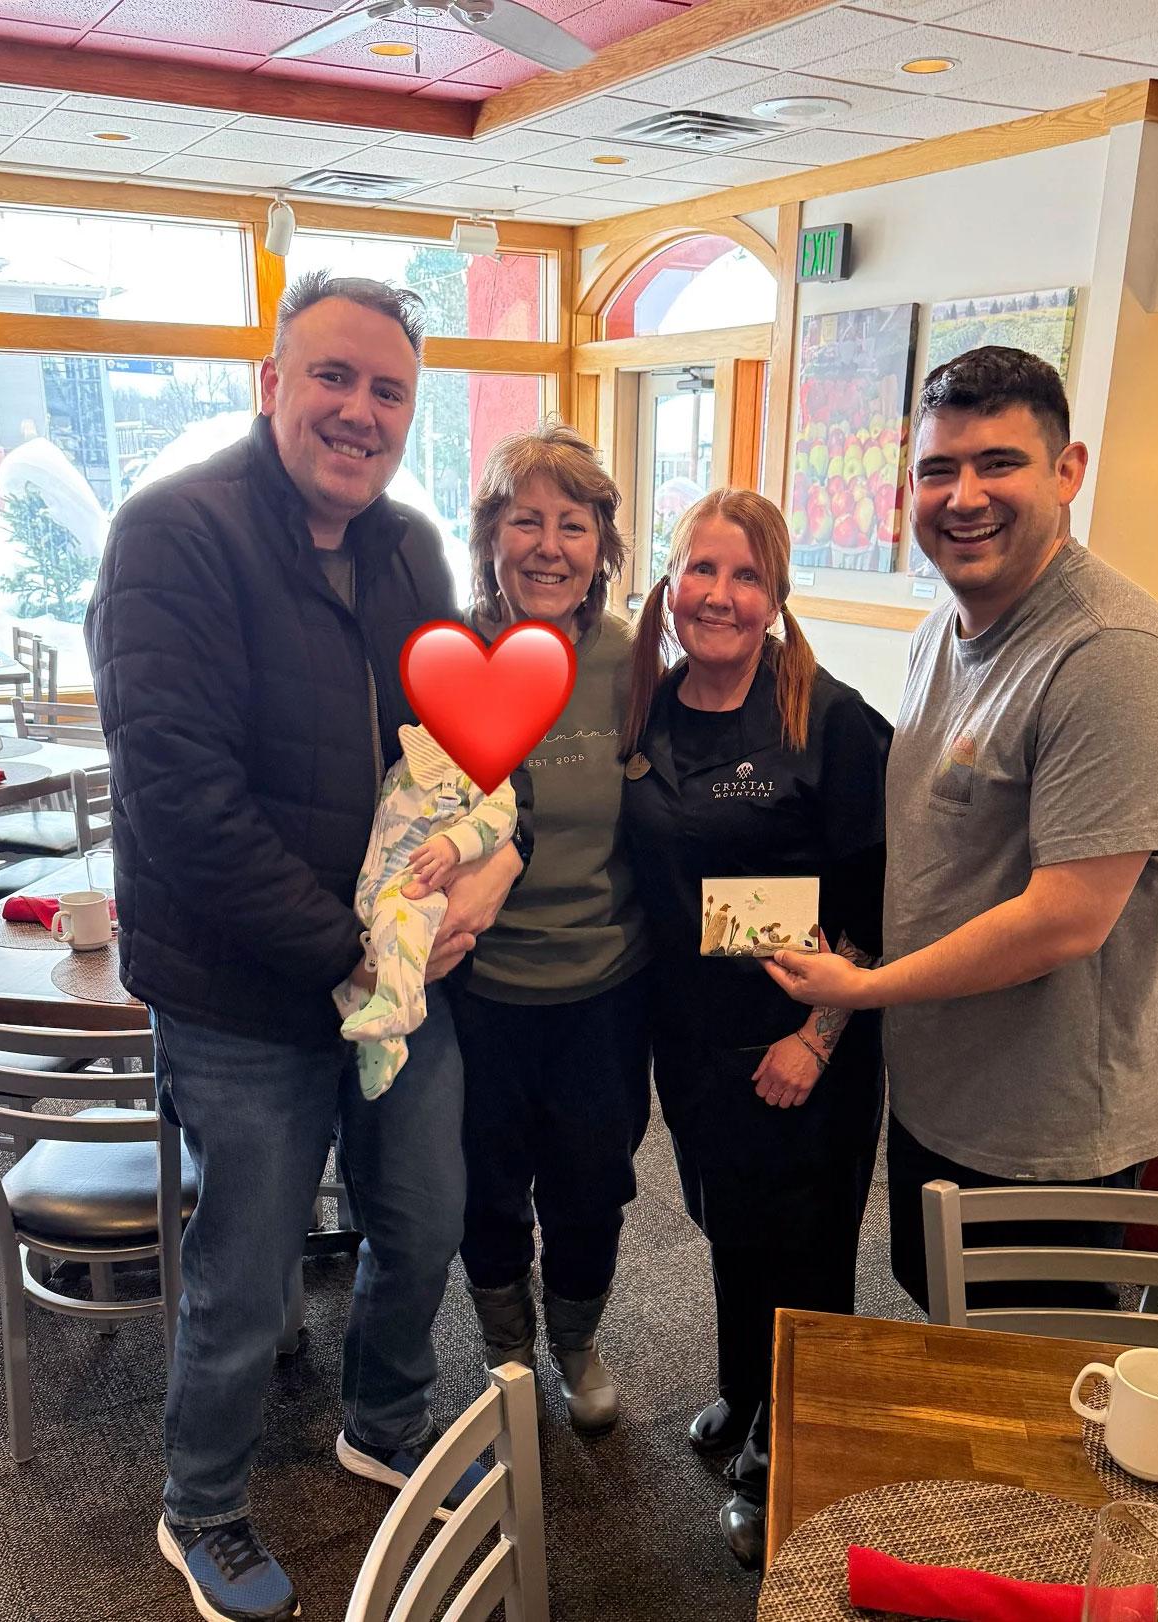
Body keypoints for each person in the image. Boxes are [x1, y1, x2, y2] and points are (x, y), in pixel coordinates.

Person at [86, 271, 528, 1622]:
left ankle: (383, 1422)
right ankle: (201, 1503)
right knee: (249, 1257)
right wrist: (358, 952)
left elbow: (446, 750)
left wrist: (494, 859)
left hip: (391, 970)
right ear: (270, 383)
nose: (359, 409)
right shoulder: (172, 535)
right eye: (331, 376)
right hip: (241, 991)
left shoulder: (404, 548)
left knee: (425, 1216)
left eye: (387, 389)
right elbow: (187, 810)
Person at [765, 345, 1158, 1314]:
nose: (964, 495)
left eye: (998, 462)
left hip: (1051, 1130)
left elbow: (1065, 919)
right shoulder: (941, 633)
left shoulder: (1110, 657)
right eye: (937, 468)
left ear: (1068, 470)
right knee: (946, 1317)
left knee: (1036, 1391)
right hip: (946, 1097)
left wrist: (867, 988)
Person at [621, 487, 891, 1568]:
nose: (717, 595)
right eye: (699, 569)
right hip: (691, 1042)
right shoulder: (651, 705)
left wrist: (817, 1038)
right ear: (671, 582)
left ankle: (788, 1449)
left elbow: (875, 910)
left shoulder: (831, 720)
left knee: (808, 1247)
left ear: (775, 594)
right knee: (731, 1224)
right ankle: (743, 1388)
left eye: (743, 574)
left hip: (801, 1047)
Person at [452, 422, 651, 1436]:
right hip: (480, 993)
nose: (548, 544)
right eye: (524, 517)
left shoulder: (634, 661)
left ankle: (575, 1338)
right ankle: (506, 1348)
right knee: (486, 1191)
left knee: (590, 1190)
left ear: (603, 548)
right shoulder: (450, 659)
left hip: (604, 990)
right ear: (491, 533)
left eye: (573, 524)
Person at [335, 722, 517, 1100]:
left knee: (398, 928)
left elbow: (502, 814)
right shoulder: (409, 757)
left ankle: (401, 1006)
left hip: (424, 887)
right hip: (378, 881)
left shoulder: (486, 763)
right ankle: (381, 1048)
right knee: (352, 987)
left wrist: (454, 845)